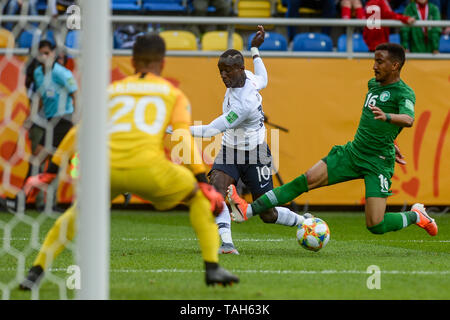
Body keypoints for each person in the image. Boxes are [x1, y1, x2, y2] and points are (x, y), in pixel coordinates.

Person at [19, 33, 239, 290]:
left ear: (133, 62)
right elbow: (181, 136)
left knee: (76, 215)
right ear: (162, 63)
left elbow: (79, 131)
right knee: (198, 198)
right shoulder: (172, 93)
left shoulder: (111, 91)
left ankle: (35, 271)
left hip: (106, 169)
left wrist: (52, 170)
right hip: (149, 169)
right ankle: (212, 268)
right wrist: (202, 180)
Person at [227, 43, 438, 239]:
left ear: (395, 65)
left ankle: (416, 216)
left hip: (378, 162)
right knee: (306, 179)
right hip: (353, 153)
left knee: (376, 224)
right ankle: (249, 209)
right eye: (374, 60)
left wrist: (388, 118)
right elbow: (375, 126)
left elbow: (408, 119)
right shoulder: (373, 84)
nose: (374, 66)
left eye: (380, 62)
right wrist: (390, 139)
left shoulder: (404, 93)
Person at [189, 26, 308, 255]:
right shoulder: (250, 78)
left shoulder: (244, 104)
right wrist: (255, 49)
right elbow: (263, 77)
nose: (223, 76)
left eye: (227, 72)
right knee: (217, 191)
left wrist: (177, 129)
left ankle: (304, 222)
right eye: (220, 72)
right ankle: (226, 243)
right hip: (230, 150)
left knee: (268, 214)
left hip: (256, 154)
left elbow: (211, 129)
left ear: (240, 70)